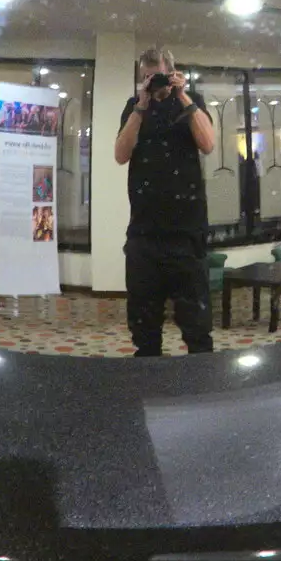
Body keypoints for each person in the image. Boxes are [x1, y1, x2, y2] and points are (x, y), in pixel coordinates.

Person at [114, 47, 218, 356]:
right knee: (144, 331)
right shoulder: (134, 107)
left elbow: (209, 144)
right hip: (144, 236)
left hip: (187, 236)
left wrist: (183, 96)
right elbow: (120, 155)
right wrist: (140, 108)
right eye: (146, 77)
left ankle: (202, 391)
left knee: (198, 330)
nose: (152, 82)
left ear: (171, 73)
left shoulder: (191, 103)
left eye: (157, 75)